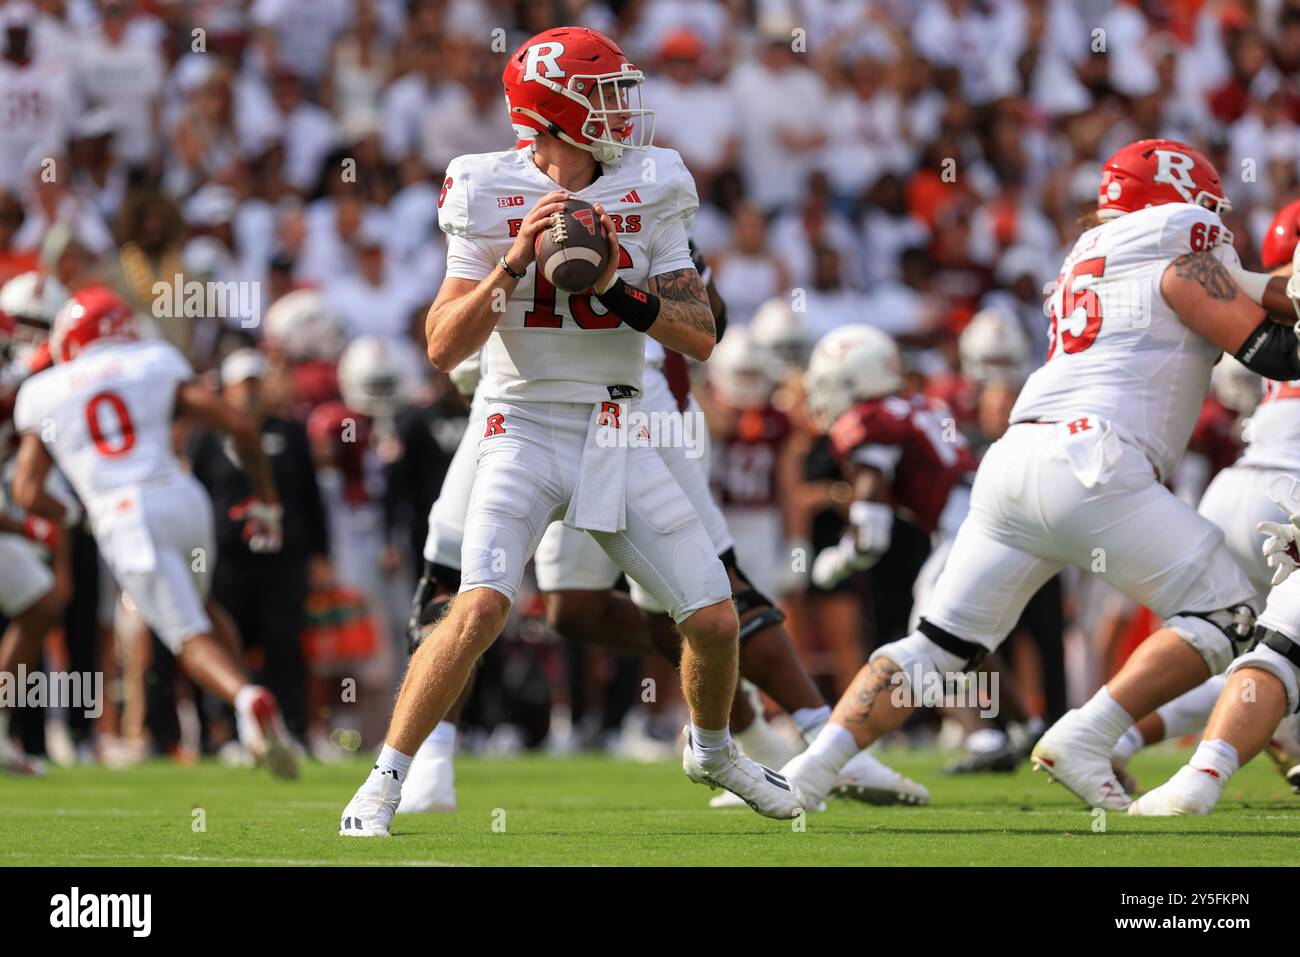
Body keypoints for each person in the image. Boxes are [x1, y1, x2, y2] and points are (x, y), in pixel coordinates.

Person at [340, 27, 806, 837]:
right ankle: (384, 781)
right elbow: (444, 342)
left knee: (715, 620)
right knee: (480, 605)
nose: (625, 109)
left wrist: (620, 288)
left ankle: (716, 750)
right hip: (519, 421)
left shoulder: (654, 182)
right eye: (606, 93)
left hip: (619, 421)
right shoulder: (485, 186)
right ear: (554, 110)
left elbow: (698, 333)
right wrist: (516, 260)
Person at [775, 138, 1300, 813]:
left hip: (1014, 462)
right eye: (1203, 205)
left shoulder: (1096, 256)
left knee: (936, 646)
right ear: (1175, 201)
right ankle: (1089, 731)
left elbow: (1262, 291)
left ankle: (808, 773)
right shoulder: (1178, 254)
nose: (1214, 221)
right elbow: (1279, 354)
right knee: (1228, 614)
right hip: (1095, 464)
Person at [11, 285, 299, 778]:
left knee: (186, 637)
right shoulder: (154, 360)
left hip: (124, 513)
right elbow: (241, 428)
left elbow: (27, 493)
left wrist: (77, 516)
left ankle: (247, 699)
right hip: (183, 498)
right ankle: (250, 721)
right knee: (204, 607)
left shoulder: (44, 390)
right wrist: (268, 501)